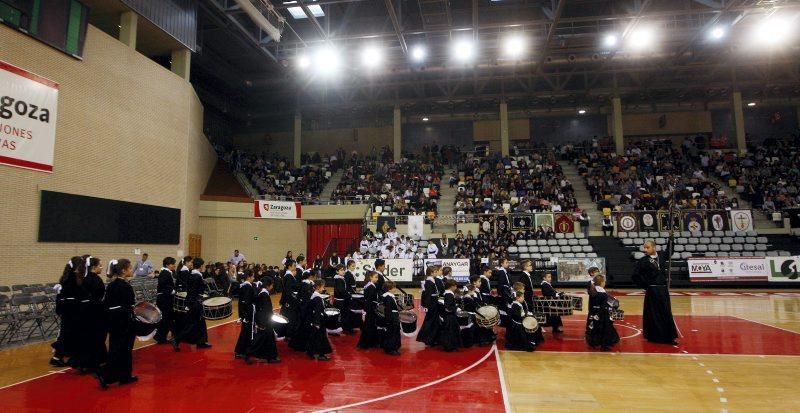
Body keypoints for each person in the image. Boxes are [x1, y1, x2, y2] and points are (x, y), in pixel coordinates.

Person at [95, 259, 137, 389]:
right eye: (130, 268)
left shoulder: (114, 284)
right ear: (124, 271)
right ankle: (105, 375)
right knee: (122, 350)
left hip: (115, 322)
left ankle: (125, 376)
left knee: (118, 349)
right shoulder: (123, 285)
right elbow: (127, 304)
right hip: (123, 322)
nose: (131, 271)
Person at [633, 240, 679, 344]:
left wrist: (671, 239)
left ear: (654, 247)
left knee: (665, 312)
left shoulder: (662, 256)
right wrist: (645, 286)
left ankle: (668, 337)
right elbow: (635, 276)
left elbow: (670, 251)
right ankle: (653, 336)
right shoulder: (643, 261)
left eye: (647, 247)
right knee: (652, 314)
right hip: (652, 290)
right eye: (644, 248)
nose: (645, 250)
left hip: (663, 289)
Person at [73, 256, 107, 372]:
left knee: (88, 337)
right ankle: (92, 362)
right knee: (96, 337)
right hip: (94, 312)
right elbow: (98, 296)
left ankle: (87, 362)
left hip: (87, 311)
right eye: (100, 265)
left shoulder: (86, 278)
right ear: (94, 267)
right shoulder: (94, 280)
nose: (102, 267)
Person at [51, 256, 86, 367]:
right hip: (71, 309)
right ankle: (57, 357)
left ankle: (60, 356)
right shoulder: (73, 279)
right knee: (67, 333)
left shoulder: (67, 277)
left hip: (68, 308)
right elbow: (76, 294)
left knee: (67, 333)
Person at [172, 257, 212, 351]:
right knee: (192, 324)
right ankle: (177, 339)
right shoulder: (197, 276)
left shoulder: (192, 274)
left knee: (200, 323)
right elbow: (194, 292)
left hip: (193, 301)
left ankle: (201, 342)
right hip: (195, 303)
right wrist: (190, 305)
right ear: (201, 266)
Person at [246, 277, 280, 364]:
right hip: (264, 320)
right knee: (261, 339)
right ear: (269, 285)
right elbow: (265, 309)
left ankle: (270, 357)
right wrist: (264, 322)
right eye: (272, 285)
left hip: (263, 319)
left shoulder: (262, 292)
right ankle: (250, 354)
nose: (272, 287)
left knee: (267, 338)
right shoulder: (264, 294)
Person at [585, 274, 620, 351]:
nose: (605, 283)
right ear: (601, 283)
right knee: (605, 330)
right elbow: (606, 305)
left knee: (594, 328)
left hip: (593, 314)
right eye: (604, 281)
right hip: (602, 316)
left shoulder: (592, 291)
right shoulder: (603, 294)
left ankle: (593, 342)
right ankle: (604, 346)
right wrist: (615, 301)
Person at [306, 279, 333, 361]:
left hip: (315, 319)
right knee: (321, 338)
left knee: (315, 337)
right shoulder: (317, 298)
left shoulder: (314, 296)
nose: (323, 288)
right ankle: (321, 354)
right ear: (318, 287)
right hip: (318, 320)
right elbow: (317, 311)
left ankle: (311, 352)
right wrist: (317, 323)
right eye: (322, 287)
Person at [154, 257, 177, 344]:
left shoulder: (167, 272)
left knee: (167, 318)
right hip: (164, 299)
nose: (174, 265)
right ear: (167, 265)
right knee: (165, 318)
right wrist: (172, 291)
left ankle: (161, 337)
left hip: (165, 298)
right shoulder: (165, 273)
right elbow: (163, 284)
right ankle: (160, 337)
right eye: (172, 264)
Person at [416, 266, 441, 346]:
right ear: (431, 273)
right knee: (430, 321)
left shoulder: (432, 280)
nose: (437, 273)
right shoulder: (429, 282)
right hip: (431, 304)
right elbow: (427, 295)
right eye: (436, 271)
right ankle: (426, 338)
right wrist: (426, 306)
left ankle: (432, 338)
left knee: (434, 321)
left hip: (434, 302)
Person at [234, 270, 256, 359]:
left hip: (244, 313)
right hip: (247, 314)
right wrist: (246, 316)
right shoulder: (247, 287)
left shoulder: (245, 286)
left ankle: (240, 351)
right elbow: (245, 302)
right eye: (253, 276)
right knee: (246, 333)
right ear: (249, 277)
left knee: (245, 333)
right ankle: (242, 351)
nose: (254, 278)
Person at [357, 271, 381, 349]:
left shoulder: (369, 286)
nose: (377, 279)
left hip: (369, 308)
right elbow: (369, 300)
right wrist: (366, 311)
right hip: (370, 309)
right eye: (376, 277)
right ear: (371, 277)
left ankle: (371, 342)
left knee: (370, 326)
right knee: (369, 326)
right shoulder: (371, 287)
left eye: (377, 277)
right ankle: (366, 344)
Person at [438, 279, 462, 352]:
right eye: (455, 286)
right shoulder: (449, 295)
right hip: (449, 317)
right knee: (451, 331)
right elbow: (447, 307)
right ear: (451, 286)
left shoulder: (447, 294)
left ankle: (450, 346)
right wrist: (456, 308)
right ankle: (450, 346)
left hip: (448, 316)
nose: (456, 287)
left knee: (450, 331)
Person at [333, 264, 359, 334]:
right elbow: (341, 291)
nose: (343, 271)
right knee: (341, 316)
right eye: (341, 270)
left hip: (342, 300)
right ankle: (341, 330)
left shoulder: (341, 278)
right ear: (337, 271)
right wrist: (348, 295)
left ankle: (345, 329)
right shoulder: (338, 279)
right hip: (340, 301)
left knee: (344, 315)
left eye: (344, 270)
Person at [380, 280, 401, 356]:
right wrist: (388, 321)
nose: (395, 289)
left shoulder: (389, 296)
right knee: (392, 333)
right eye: (394, 287)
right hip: (392, 318)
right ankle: (391, 348)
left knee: (393, 332)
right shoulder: (388, 298)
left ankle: (393, 347)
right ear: (389, 289)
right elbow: (388, 310)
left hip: (393, 316)